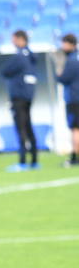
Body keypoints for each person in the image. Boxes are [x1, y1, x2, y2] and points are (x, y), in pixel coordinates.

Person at [1, 30, 40, 171]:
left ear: (20, 39)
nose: (13, 42)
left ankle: (23, 161)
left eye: (14, 39)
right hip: (29, 96)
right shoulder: (31, 56)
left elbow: (5, 71)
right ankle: (34, 160)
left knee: (21, 128)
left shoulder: (19, 57)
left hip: (18, 96)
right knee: (28, 127)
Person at [55, 32, 79, 167]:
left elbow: (62, 79)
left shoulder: (71, 60)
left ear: (70, 44)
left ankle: (75, 157)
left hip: (74, 99)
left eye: (64, 44)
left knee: (75, 129)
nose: (62, 47)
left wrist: (58, 71)